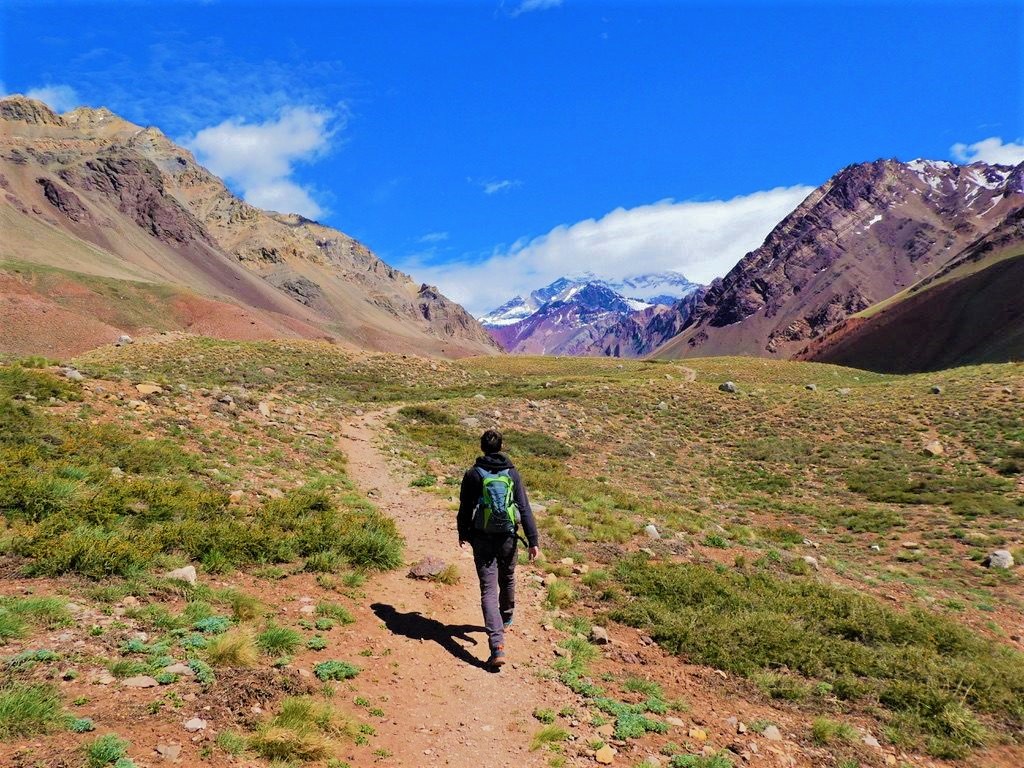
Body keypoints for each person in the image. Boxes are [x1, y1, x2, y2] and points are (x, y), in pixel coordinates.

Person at [458, 429, 540, 670]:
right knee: (508, 577)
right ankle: (506, 616)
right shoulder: (512, 473)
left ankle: (497, 646)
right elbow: (524, 508)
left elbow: (465, 508)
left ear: (482, 447)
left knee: (487, 589)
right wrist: (533, 540)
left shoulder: (473, 474)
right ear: (501, 446)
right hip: (507, 536)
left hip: (482, 537)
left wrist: (463, 533)